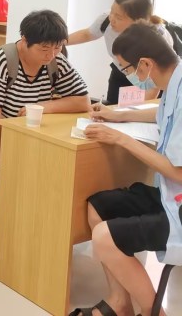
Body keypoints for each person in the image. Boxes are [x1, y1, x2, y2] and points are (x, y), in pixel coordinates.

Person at [70, 22, 182, 316]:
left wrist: (121, 139)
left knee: (104, 237)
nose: (127, 76)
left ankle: (154, 312)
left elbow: (178, 172)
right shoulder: (175, 79)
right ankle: (119, 303)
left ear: (145, 63)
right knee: (98, 206)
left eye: (127, 69)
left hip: (178, 204)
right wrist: (117, 115)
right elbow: (162, 112)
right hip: (169, 193)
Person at [0, 10, 90, 188]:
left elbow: (83, 101)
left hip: (28, 136)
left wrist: (43, 106)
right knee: (13, 182)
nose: (51, 55)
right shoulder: (2, 59)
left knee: (53, 177)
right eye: (44, 49)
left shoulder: (56, 60)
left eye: (58, 47)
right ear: (24, 40)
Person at [68, 0, 174, 104]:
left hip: (150, 79)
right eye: (111, 11)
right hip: (121, 72)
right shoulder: (106, 21)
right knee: (113, 106)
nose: (111, 19)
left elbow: (155, 85)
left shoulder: (158, 38)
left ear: (138, 21)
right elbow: (87, 34)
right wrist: (59, 42)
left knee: (141, 110)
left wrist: (137, 109)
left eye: (118, 17)